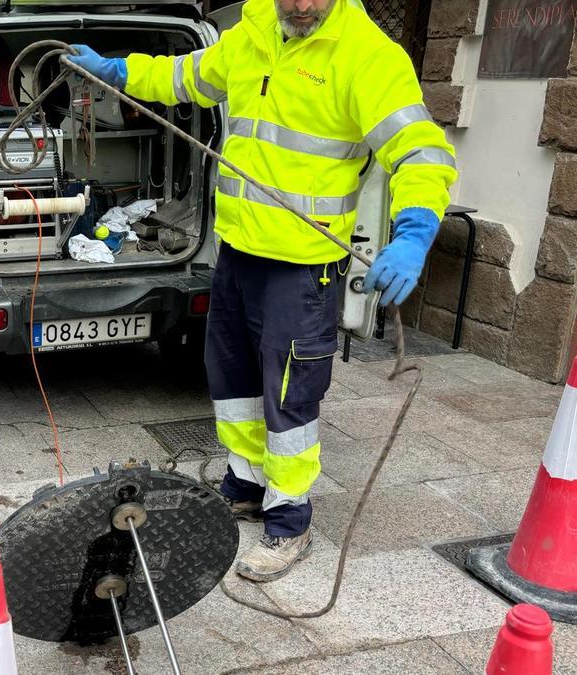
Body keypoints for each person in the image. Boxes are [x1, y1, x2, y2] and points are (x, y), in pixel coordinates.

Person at [70, 0, 456, 581]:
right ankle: (246, 485)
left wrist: (415, 230)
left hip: (302, 267)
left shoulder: (369, 56)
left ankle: (289, 521)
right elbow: (185, 78)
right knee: (233, 380)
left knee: (289, 396)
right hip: (239, 252)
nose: (302, 5)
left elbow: (421, 152)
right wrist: (121, 71)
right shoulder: (249, 36)